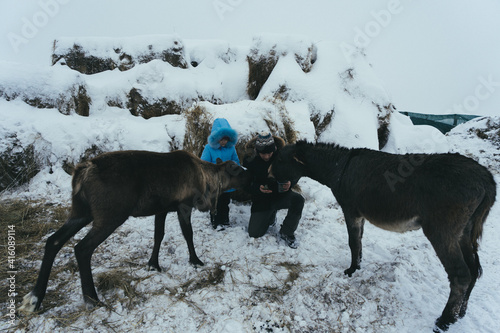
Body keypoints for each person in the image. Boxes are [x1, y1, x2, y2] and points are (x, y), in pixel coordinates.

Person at [243, 131, 305, 248]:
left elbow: (296, 173)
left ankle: (287, 232)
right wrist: (257, 188)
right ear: (257, 150)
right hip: (262, 201)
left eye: (269, 153)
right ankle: (270, 215)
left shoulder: (284, 156)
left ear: (274, 148)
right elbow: (245, 184)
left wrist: (290, 183)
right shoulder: (249, 160)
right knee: (254, 233)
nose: (266, 156)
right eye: (263, 154)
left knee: (298, 200)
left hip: (281, 195)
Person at [201, 118, 240, 229]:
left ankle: (225, 219)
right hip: (215, 182)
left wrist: (233, 168)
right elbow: (203, 164)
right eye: (222, 139)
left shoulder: (231, 148)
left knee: (225, 201)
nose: (224, 142)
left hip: (227, 182)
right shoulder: (209, 148)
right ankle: (216, 221)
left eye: (226, 139)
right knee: (215, 202)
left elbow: (236, 161)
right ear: (216, 138)